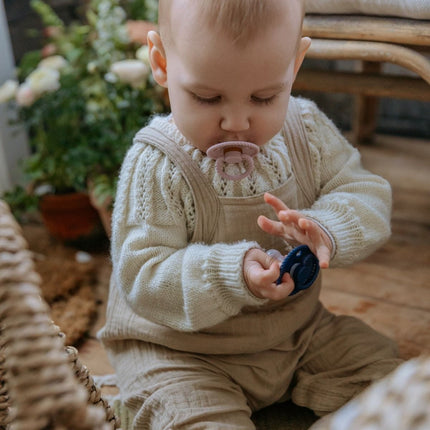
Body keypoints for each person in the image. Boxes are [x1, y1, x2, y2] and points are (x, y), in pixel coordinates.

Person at [99, 0, 403, 428]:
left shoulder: (306, 130)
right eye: (208, 97)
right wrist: (231, 273)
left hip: (296, 334)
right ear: (161, 63)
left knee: (390, 378)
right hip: (180, 352)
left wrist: (328, 226)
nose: (237, 121)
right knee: (192, 415)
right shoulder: (156, 164)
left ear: (294, 65)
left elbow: (364, 192)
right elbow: (142, 274)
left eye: (265, 96)